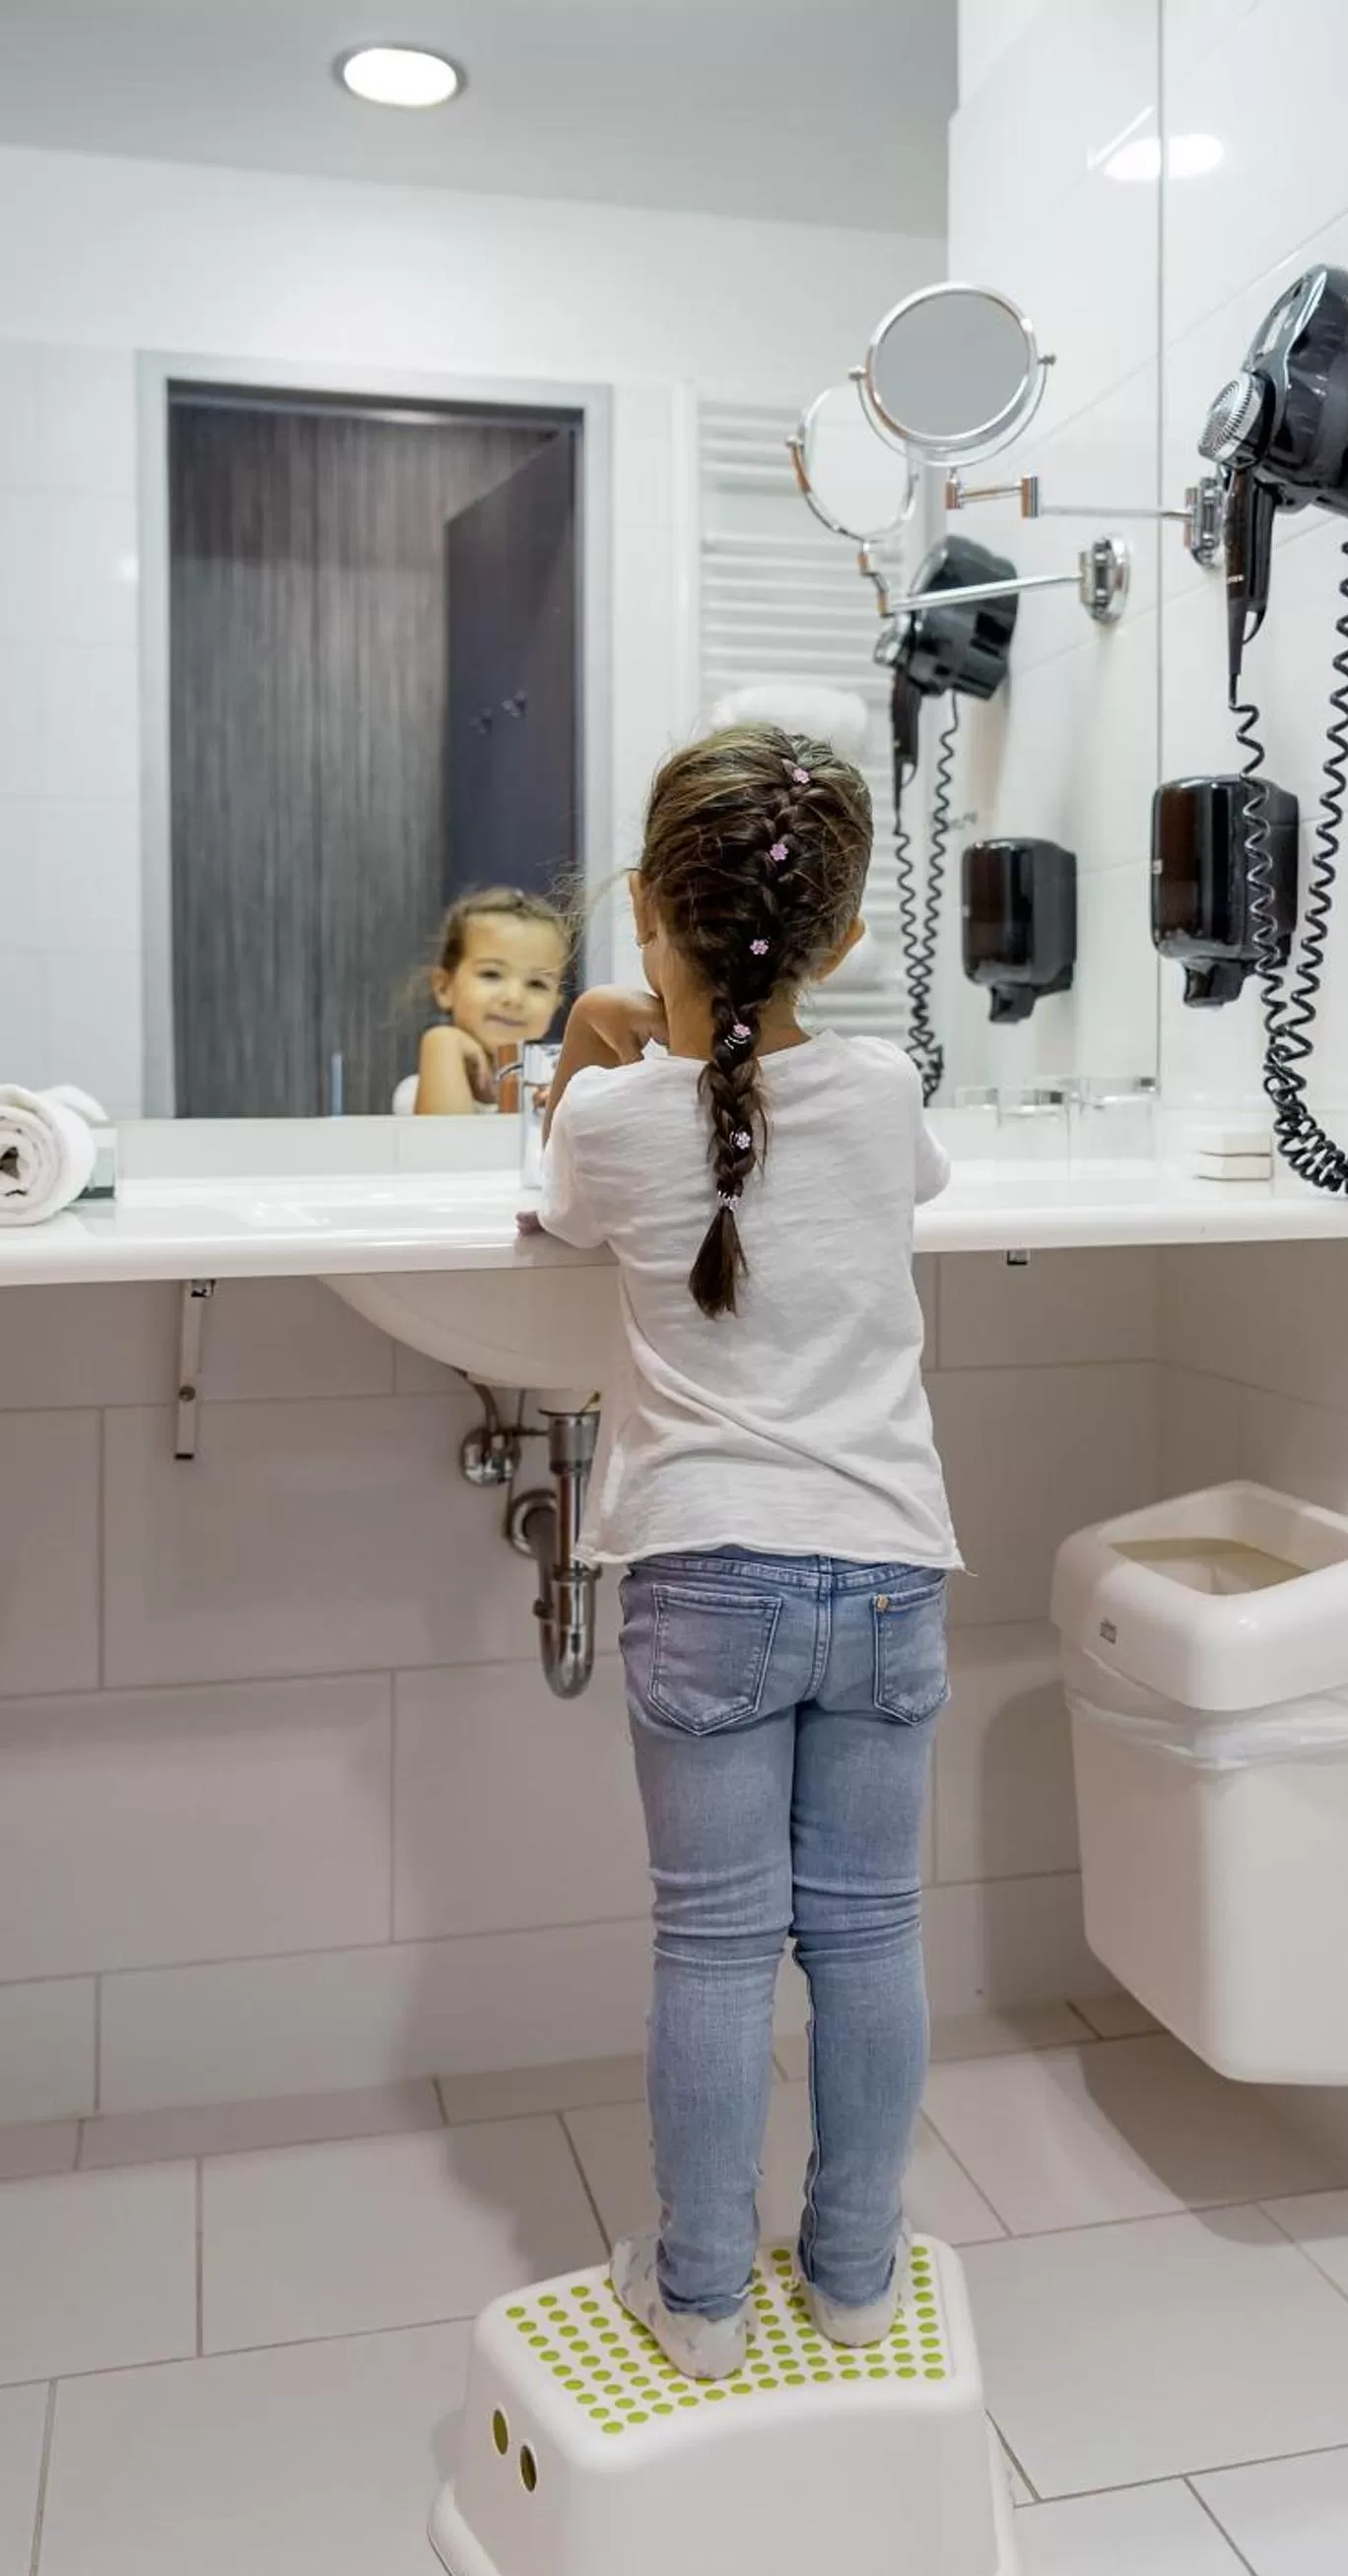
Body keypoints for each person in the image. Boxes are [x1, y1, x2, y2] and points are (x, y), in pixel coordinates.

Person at [531, 722, 958, 2381]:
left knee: (712, 1944)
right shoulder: (883, 1085)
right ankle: (852, 2273)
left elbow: (567, 1200)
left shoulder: (618, 1120)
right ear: (842, 945)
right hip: (888, 1568)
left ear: (642, 906)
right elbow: (881, 1169)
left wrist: (593, 1040)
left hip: (706, 1573)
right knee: (865, 1935)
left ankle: (699, 2294)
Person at [414, 887, 573, 1113]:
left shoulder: (562, 1093)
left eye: (537, 984)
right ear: (444, 987)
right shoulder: (425, 1089)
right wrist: (442, 1041)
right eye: (491, 974)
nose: (513, 998)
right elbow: (444, 1145)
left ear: (556, 1004)